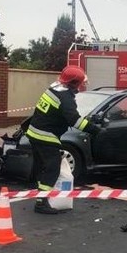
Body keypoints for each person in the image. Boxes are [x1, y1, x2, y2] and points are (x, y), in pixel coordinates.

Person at [26, 65, 101, 214]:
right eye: (81, 82)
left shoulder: (53, 89)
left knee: (43, 168)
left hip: (34, 133)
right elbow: (74, 120)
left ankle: (42, 197)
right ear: (74, 83)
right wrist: (94, 129)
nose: (83, 85)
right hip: (45, 136)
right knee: (52, 168)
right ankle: (41, 204)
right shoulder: (65, 97)